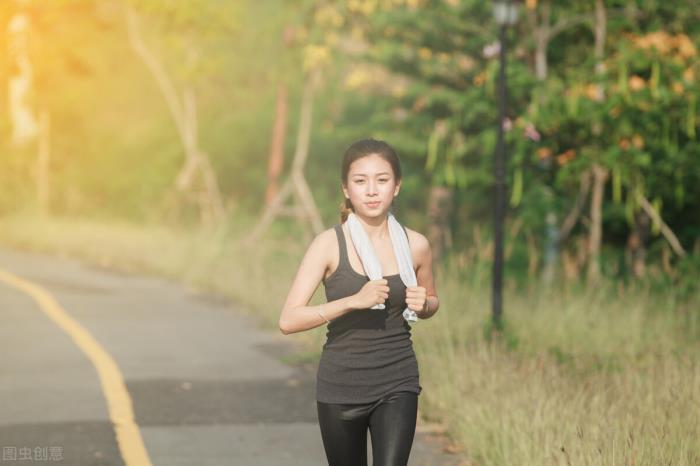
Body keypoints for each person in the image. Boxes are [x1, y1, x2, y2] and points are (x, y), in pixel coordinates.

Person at [278, 138, 440, 466]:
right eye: (360, 181)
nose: (371, 190)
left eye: (382, 180)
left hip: (398, 379)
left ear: (396, 187)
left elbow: (431, 302)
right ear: (346, 189)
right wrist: (353, 301)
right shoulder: (328, 245)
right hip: (341, 386)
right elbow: (288, 320)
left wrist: (425, 305)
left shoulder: (416, 245)